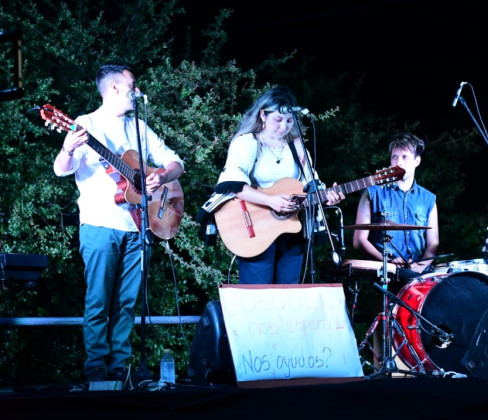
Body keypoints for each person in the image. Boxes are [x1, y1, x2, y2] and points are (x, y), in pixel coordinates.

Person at [53, 63, 185, 383]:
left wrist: (158, 178)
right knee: (98, 299)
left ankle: (121, 366)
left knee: (128, 302)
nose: (137, 89)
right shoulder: (85, 124)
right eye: (133, 84)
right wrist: (68, 148)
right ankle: (97, 366)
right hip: (100, 223)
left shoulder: (138, 127)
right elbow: (61, 169)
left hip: (138, 226)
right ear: (114, 88)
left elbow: (176, 162)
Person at [209, 86, 344, 284]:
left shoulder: (296, 146)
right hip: (255, 228)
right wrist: (270, 201)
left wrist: (327, 195)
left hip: (291, 228)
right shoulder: (246, 143)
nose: (284, 127)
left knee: (289, 296)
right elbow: (232, 185)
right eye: (278, 120)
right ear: (263, 115)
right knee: (258, 294)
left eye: (290, 121)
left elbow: (310, 183)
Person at [352, 132, 439, 287]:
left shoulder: (429, 199)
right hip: (384, 273)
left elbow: (433, 243)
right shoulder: (372, 192)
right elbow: (359, 240)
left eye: (405, 157)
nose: (398, 162)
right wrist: (387, 261)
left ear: (417, 161)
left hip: (418, 275)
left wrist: (420, 267)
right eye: (394, 157)